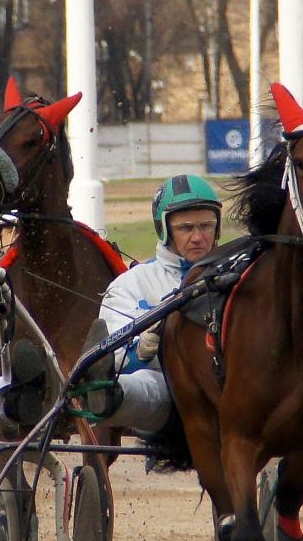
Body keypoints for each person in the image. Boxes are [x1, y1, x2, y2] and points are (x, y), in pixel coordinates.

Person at [79, 175, 225, 438]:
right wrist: (142, 349)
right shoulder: (131, 284)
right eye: (186, 228)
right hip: (168, 395)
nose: (198, 237)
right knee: (147, 383)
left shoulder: (236, 274)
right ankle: (107, 395)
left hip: (229, 390)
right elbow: (117, 353)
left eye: (206, 226)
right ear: (165, 229)